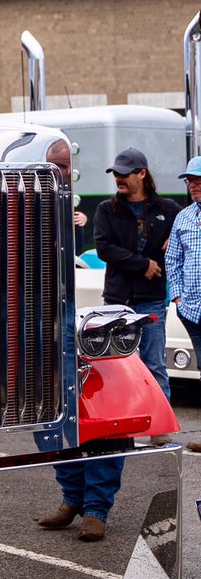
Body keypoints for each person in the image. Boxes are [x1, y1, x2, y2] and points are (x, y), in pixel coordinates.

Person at [92, 147, 179, 425]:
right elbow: (104, 248)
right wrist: (144, 265)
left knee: (155, 364)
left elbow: (193, 224)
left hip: (152, 299)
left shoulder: (169, 210)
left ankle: (159, 425)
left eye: (125, 174)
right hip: (117, 300)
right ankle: (118, 422)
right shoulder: (106, 209)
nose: (119, 178)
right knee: (115, 366)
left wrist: (176, 239)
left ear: (142, 174)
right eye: (116, 173)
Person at [164, 154, 201, 454]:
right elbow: (172, 259)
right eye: (190, 180)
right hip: (193, 311)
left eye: (198, 180)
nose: (193, 185)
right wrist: (177, 296)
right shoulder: (184, 217)